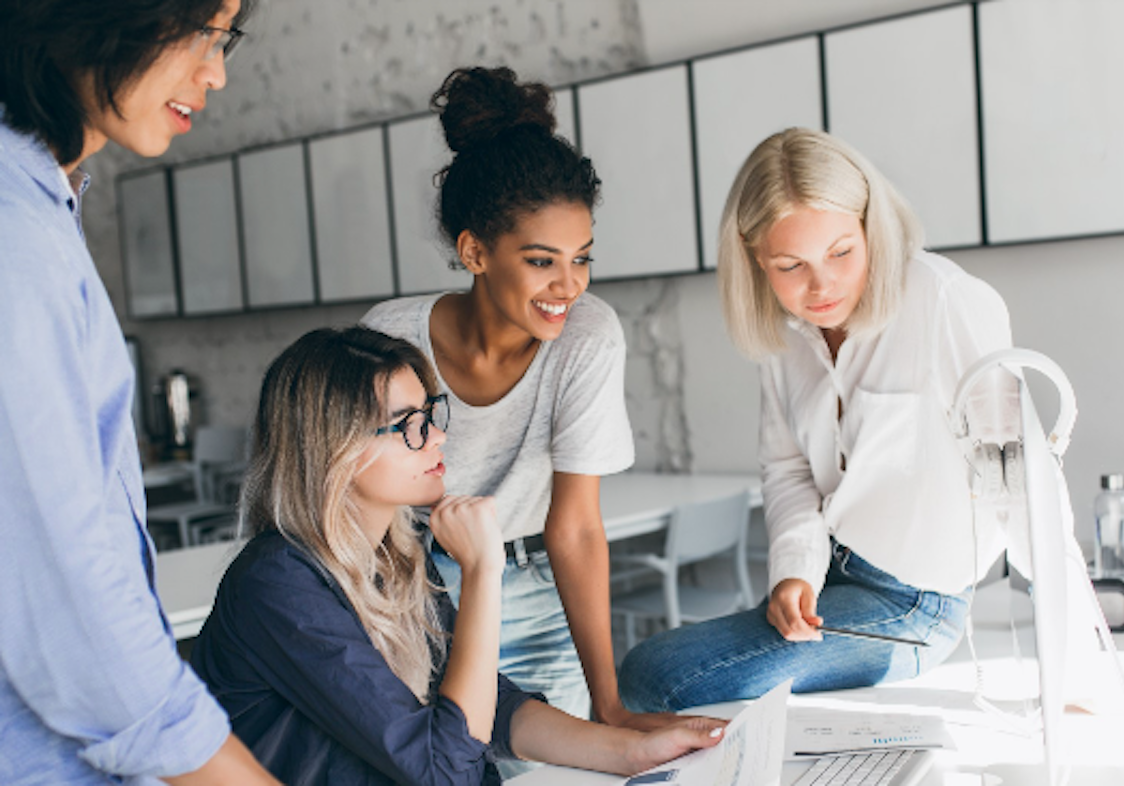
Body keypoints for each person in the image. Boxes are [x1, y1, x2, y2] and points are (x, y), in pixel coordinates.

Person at [190, 326, 725, 785]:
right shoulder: (278, 584)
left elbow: (491, 706)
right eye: (409, 425)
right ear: (336, 451)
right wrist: (484, 570)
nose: (438, 436)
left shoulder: (392, 557)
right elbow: (443, 770)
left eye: (431, 414)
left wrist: (628, 751)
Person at [618, 128, 1017, 712]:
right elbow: (788, 471)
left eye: (840, 253)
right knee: (651, 675)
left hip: (915, 605)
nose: (821, 285)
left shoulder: (945, 300)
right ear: (756, 258)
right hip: (832, 578)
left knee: (655, 676)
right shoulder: (785, 339)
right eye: (790, 265)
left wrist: (1080, 654)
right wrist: (792, 575)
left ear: (870, 227)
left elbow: (1019, 475)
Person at [0, 1, 280, 783]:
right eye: (200, 32)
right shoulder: (13, 238)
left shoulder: (46, 208)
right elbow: (66, 595)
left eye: (226, 41)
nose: (216, 72)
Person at [362, 66, 673, 733]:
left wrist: (608, 704)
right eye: (541, 261)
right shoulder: (390, 336)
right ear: (476, 251)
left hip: (530, 590)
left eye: (581, 257)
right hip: (411, 595)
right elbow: (358, 494)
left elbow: (577, 528)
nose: (569, 284)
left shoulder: (587, 337)